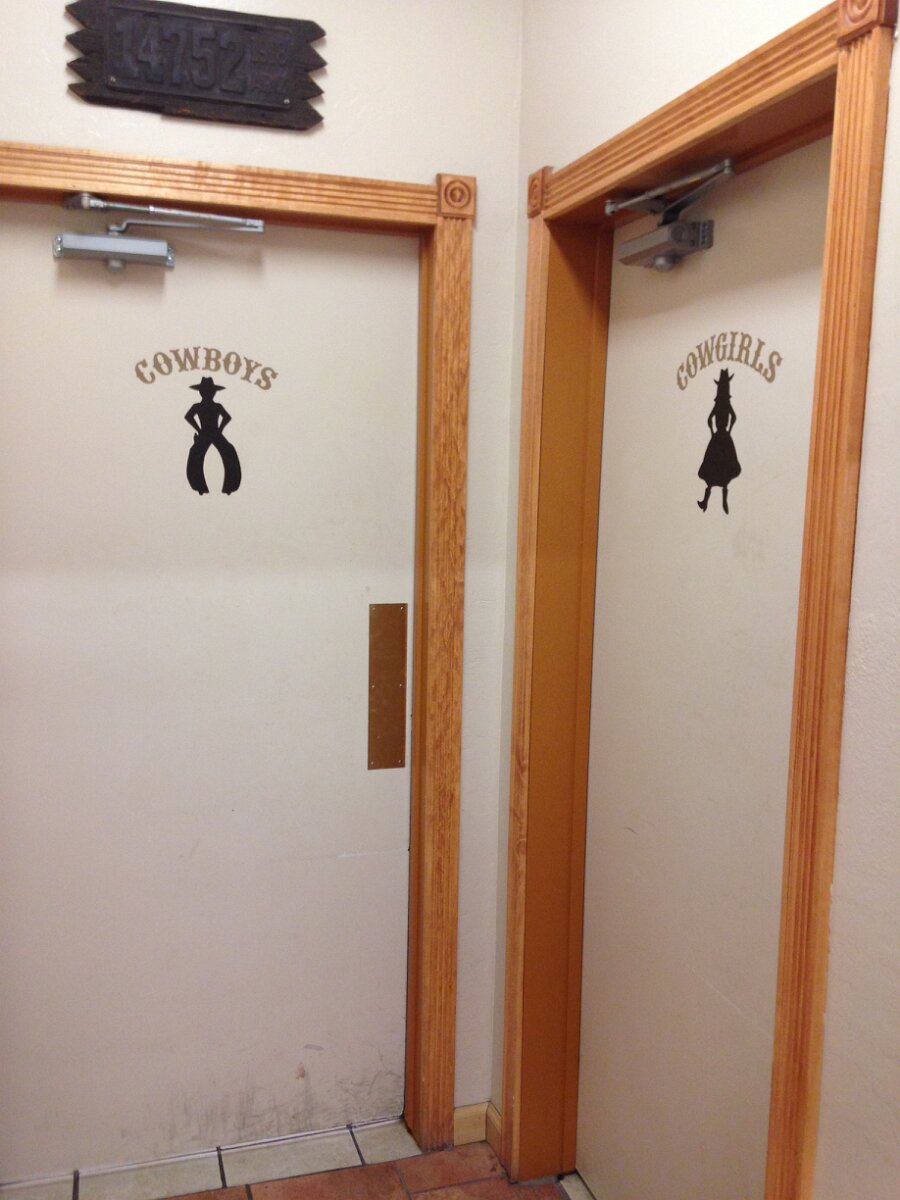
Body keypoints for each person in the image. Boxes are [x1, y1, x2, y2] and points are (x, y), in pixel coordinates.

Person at [184, 376, 241, 495]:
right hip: (210, 432)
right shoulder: (201, 406)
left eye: (209, 391)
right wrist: (200, 429)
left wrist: (218, 429)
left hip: (210, 432)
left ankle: (228, 486)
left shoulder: (213, 406)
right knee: (196, 455)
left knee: (228, 451)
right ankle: (201, 486)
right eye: (206, 391)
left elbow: (227, 417)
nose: (208, 393)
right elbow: (188, 417)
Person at [697, 368, 741, 514]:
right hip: (723, 436)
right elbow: (733, 417)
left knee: (715, 469)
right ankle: (719, 502)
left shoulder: (719, 404)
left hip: (718, 437)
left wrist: (712, 431)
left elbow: (709, 419)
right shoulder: (726, 404)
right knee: (723, 468)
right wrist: (729, 430)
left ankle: (709, 502)